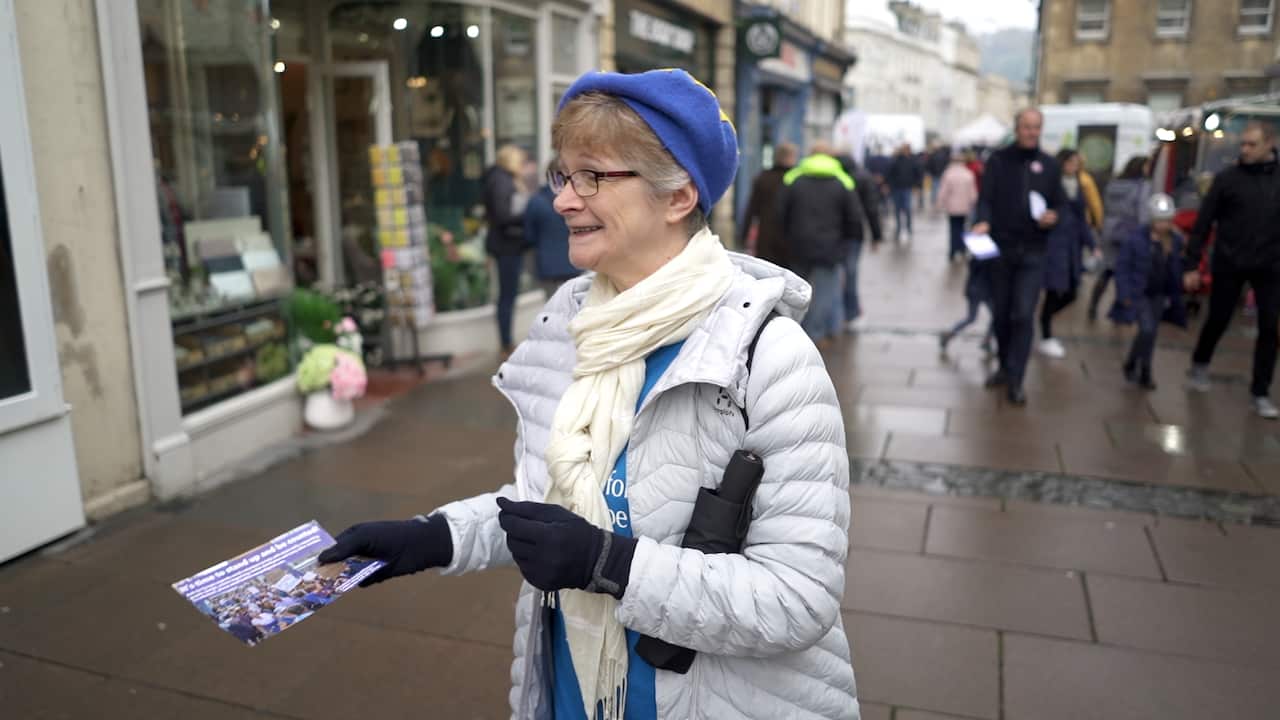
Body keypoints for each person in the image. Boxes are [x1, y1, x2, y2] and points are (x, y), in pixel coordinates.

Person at [318, 69, 858, 720]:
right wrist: (433, 538)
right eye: (563, 176)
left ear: (679, 195)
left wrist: (613, 565)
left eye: (592, 177)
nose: (564, 201)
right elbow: (549, 507)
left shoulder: (769, 359)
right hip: (573, 691)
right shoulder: (571, 326)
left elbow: (797, 598)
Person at [1184, 121, 1280, 419]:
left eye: (1252, 144)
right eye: (1243, 144)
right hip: (1230, 261)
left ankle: (1260, 391)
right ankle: (1200, 362)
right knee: (1218, 318)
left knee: (1269, 327)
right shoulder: (1227, 178)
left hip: (1270, 265)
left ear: (1269, 144)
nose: (1245, 150)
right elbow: (1202, 224)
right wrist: (1192, 265)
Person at [971, 108, 1065, 406]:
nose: (1031, 132)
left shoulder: (1049, 165)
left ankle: (1017, 378)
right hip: (1001, 250)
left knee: (1023, 314)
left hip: (1033, 251)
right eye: (1026, 127)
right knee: (1001, 314)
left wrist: (1055, 215)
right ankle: (1002, 365)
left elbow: (1062, 203)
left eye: (1036, 127)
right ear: (1017, 128)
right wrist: (983, 220)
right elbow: (985, 199)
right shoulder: (998, 160)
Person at [780, 141, 866, 345]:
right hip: (830, 246)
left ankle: (795, 331)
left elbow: (780, 212)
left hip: (799, 245)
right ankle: (815, 333)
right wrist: (847, 241)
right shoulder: (843, 181)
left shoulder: (794, 178)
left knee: (796, 292)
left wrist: (789, 235)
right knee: (826, 292)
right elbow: (854, 217)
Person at [1109, 193, 1187, 390]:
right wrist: (1124, 294)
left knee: (1150, 334)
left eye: (1167, 221)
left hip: (1159, 294)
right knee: (1146, 329)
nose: (1163, 225)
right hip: (1139, 292)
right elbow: (1123, 268)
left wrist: (1180, 286)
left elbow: (1177, 266)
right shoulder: (1135, 239)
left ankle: (1139, 366)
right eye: (1160, 221)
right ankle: (1141, 367)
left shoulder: (1174, 241)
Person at [1038, 149, 1098, 359]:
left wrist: (1092, 244)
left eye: (1077, 162)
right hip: (1054, 246)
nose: (1075, 165)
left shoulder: (1078, 186)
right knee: (1054, 291)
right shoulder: (1051, 185)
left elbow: (1082, 218)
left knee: (1072, 291)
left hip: (1072, 247)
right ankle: (1046, 334)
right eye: (1071, 161)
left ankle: (1042, 321)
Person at [483, 143, 533, 354]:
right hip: (507, 245)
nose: (523, 165)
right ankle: (505, 341)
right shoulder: (502, 181)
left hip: (508, 244)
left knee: (508, 293)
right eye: (520, 161)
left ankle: (506, 339)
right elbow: (503, 215)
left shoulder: (500, 179)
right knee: (507, 294)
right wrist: (527, 215)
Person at [1088, 156, 1150, 320]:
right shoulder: (1142, 186)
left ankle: (1093, 306)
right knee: (1124, 272)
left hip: (1110, 230)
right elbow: (1142, 212)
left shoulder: (1113, 184)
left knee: (1107, 269)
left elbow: (1105, 206)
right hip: (1130, 232)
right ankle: (1120, 309)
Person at [837, 151, 885, 330]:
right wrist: (876, 236)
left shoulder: (836, 177)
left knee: (835, 276)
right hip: (854, 233)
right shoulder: (863, 177)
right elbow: (872, 208)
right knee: (851, 274)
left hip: (833, 234)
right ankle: (852, 313)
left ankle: (838, 314)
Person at [525, 157, 581, 299]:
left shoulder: (536, 201)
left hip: (547, 265)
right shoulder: (581, 199)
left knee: (553, 308)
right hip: (574, 264)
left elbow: (529, 236)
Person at [739, 141, 797, 269]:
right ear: (791, 157)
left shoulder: (763, 178)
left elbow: (751, 209)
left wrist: (743, 236)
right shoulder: (796, 180)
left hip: (766, 239)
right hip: (791, 241)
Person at [939, 255, 995, 354]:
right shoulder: (988, 258)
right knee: (995, 316)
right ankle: (987, 340)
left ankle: (949, 334)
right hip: (984, 290)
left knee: (971, 318)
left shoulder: (977, 257)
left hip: (975, 289)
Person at [936, 152, 979, 262]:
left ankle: (952, 251)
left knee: (953, 229)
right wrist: (974, 203)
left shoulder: (948, 174)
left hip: (952, 207)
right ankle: (962, 249)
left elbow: (943, 191)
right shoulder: (968, 174)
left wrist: (940, 203)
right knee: (963, 228)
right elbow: (973, 192)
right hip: (965, 207)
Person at [885, 144, 920, 242]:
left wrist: (916, 185)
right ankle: (899, 228)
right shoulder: (896, 160)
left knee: (907, 209)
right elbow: (889, 173)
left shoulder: (912, 160)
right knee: (897, 209)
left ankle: (908, 228)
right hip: (897, 188)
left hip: (906, 188)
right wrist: (889, 185)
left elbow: (917, 172)